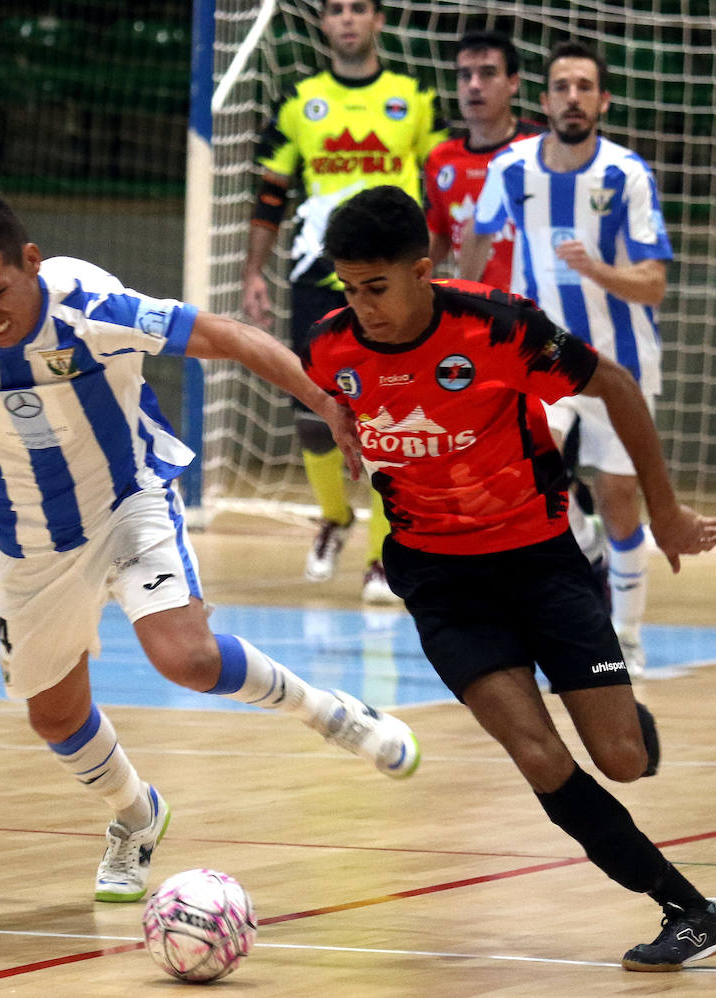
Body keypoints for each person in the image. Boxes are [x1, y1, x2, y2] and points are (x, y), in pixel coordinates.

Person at [0, 191, 420, 906]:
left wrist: (323, 400)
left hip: (127, 501)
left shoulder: (94, 309)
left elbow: (225, 334)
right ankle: (138, 817)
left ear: (31, 262)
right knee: (55, 717)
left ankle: (331, 713)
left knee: (187, 658)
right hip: (28, 538)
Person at [304, 185, 716, 972]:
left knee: (623, 760)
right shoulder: (331, 344)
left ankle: (623, 714)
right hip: (438, 578)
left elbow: (617, 387)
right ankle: (689, 907)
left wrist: (664, 512)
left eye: (377, 287)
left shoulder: (499, 327)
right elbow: (332, 391)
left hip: (538, 560)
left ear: (423, 271)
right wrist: (342, 423)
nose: (361, 307)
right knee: (538, 756)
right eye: (348, 289)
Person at [461, 41, 671, 678]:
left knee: (619, 498)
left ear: (603, 100)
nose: (572, 97)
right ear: (545, 98)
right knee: (523, 470)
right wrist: (454, 311)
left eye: (585, 86)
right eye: (562, 86)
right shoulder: (513, 166)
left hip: (620, 362)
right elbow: (476, 241)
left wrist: (597, 270)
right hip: (543, 355)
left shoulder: (626, 175)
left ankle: (626, 635)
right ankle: (582, 547)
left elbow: (654, 283)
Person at [241, 0, 447, 604]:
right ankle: (335, 515)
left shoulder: (415, 98)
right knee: (312, 414)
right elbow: (272, 194)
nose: (348, 19)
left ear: (378, 20)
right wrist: (255, 271)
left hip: (396, 276)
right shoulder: (301, 101)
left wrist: (435, 267)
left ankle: (385, 557)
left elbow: (439, 190)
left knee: (394, 416)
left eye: (359, 8)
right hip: (318, 271)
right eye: (336, 10)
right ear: (325, 24)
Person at [424, 30, 542, 290]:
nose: (474, 85)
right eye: (465, 75)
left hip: (541, 311)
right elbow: (439, 235)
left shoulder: (542, 148)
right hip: (478, 310)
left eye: (488, 73)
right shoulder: (441, 159)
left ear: (513, 83)